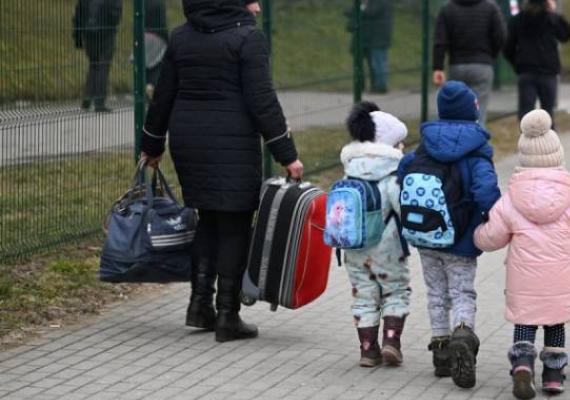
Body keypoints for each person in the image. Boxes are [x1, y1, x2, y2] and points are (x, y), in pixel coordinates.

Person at [139, 0, 304, 343]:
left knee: (208, 218)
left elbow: (163, 95)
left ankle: (199, 305)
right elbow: (262, 100)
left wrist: (152, 145)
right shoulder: (247, 39)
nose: (257, 8)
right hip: (232, 141)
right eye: (251, 0)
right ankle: (228, 314)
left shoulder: (182, 37)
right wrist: (287, 155)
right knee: (234, 224)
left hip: (189, 141)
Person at [474, 110, 570, 399]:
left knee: (525, 322)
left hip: (524, 281)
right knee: (555, 324)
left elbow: (492, 237)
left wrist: (476, 234)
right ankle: (553, 376)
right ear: (558, 154)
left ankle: (522, 366)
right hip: (561, 279)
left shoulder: (512, 198)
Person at [398, 81, 501, 389]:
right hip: (461, 240)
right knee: (461, 293)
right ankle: (463, 335)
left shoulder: (424, 145)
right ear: (474, 111)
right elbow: (486, 193)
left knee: (435, 294)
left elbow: (403, 172)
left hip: (426, 237)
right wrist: (490, 218)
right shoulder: (477, 152)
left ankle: (441, 354)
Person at [339, 102, 411, 367]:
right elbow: (402, 209)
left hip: (354, 246)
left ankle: (368, 349)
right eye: (398, 143)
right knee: (395, 291)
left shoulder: (349, 171)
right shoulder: (392, 175)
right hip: (388, 246)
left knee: (364, 294)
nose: (401, 148)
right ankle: (392, 341)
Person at [433, 0, 506, 126]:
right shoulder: (490, 7)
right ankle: (477, 142)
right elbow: (501, 36)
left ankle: (456, 141)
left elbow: (440, 41)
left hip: (457, 65)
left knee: (456, 111)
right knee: (479, 112)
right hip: (482, 64)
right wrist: (490, 55)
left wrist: (438, 67)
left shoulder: (447, 8)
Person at [504, 0, 570, 122]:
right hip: (548, 70)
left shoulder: (518, 20)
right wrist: (555, 13)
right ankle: (549, 139)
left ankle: (526, 139)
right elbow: (566, 35)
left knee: (525, 112)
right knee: (548, 112)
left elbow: (507, 47)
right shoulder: (551, 18)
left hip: (526, 70)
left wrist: (518, 65)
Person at [72, 0, 123, 112]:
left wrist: (77, 36)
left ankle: (87, 98)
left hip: (89, 32)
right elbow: (115, 15)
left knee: (93, 64)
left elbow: (78, 13)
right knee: (103, 66)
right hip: (106, 33)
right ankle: (99, 102)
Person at [347, 0, 394, 93]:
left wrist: (360, 8)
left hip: (378, 38)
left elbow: (371, 12)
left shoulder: (380, 3)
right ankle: (365, 85)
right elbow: (348, 11)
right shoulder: (366, 3)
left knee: (378, 63)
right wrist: (360, 8)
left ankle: (380, 86)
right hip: (366, 38)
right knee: (366, 63)